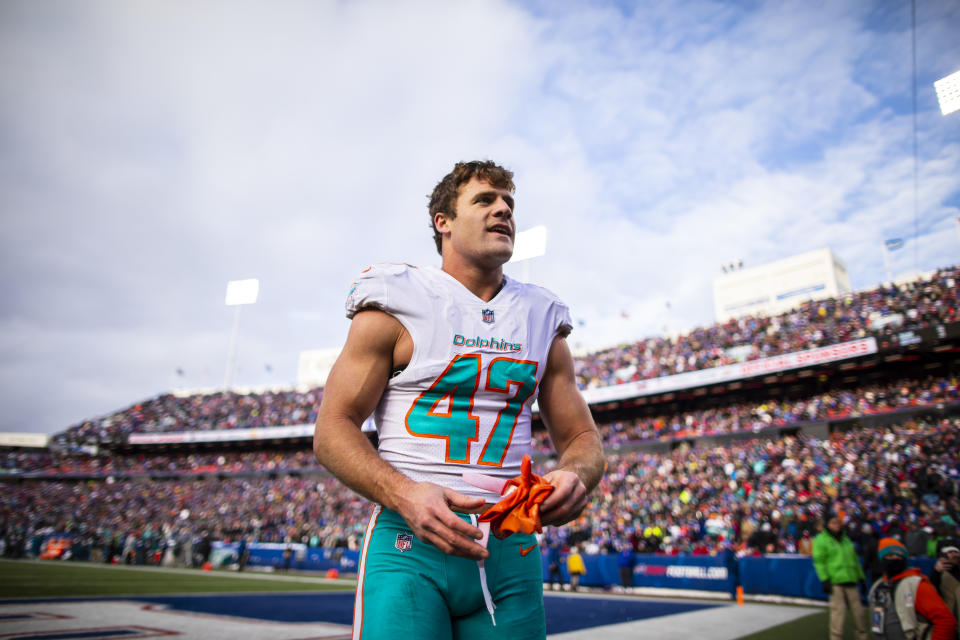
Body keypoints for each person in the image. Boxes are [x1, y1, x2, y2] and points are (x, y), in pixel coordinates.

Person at [313, 160, 605, 640]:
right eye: (485, 200)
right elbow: (332, 429)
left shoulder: (541, 317)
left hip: (512, 547)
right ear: (442, 222)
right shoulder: (396, 300)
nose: (503, 210)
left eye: (508, 203)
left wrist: (575, 475)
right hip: (411, 542)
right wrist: (405, 493)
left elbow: (582, 437)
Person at [868, 537, 956, 640]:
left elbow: (945, 621)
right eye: (890, 555)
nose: (895, 559)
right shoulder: (877, 586)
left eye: (899, 556)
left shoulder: (916, 584)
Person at [813, 515, 869, 640]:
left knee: (859, 614)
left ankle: (862, 636)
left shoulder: (846, 539)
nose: (836, 525)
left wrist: (861, 578)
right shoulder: (821, 540)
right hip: (835, 581)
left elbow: (854, 560)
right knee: (838, 614)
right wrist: (825, 579)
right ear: (827, 524)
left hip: (851, 580)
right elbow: (819, 561)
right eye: (833, 522)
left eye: (838, 522)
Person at [929, 538, 960, 636]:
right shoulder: (937, 574)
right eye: (950, 552)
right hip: (949, 623)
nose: (954, 554)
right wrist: (936, 572)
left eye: (956, 552)